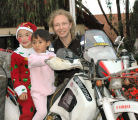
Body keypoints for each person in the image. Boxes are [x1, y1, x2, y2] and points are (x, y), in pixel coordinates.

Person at [48, 9, 82, 86]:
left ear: (70, 25)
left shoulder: (82, 42)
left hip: (84, 86)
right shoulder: (52, 47)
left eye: (64, 24)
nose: (61, 27)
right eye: (57, 25)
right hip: (63, 89)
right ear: (53, 28)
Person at [10, 22, 37, 120]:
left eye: (27, 35)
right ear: (17, 38)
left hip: (41, 87)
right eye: (20, 36)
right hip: (25, 90)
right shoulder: (16, 55)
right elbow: (14, 75)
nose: (24, 39)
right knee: (27, 113)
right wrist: (21, 91)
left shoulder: (39, 51)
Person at [28, 29, 56, 120]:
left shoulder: (52, 55)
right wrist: (48, 59)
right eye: (34, 42)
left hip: (51, 89)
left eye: (40, 42)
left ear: (47, 43)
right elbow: (38, 61)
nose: (37, 45)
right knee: (42, 112)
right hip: (38, 92)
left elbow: (58, 63)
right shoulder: (32, 57)